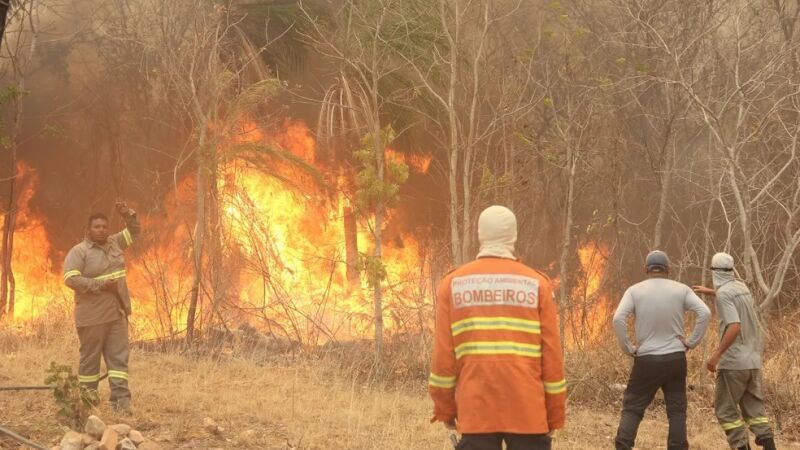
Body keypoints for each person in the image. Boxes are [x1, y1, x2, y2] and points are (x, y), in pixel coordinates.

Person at [428, 205, 565, 450]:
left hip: (476, 410)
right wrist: (555, 414)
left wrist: (445, 410)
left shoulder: (452, 285)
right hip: (528, 412)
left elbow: (443, 361)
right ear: (513, 236)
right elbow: (552, 360)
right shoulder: (537, 285)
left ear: (480, 235)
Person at [612, 250, 711, 450]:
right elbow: (705, 312)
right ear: (668, 269)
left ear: (646, 269)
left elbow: (618, 319)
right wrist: (690, 342)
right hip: (675, 358)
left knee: (632, 409)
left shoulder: (634, 291)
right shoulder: (681, 289)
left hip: (646, 359)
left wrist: (629, 348)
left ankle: (623, 446)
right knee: (676, 411)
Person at [693, 252, 776, 450]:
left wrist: (716, 355)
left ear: (714, 271)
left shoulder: (724, 295)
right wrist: (712, 292)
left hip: (733, 364)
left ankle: (740, 446)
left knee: (726, 412)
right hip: (753, 362)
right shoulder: (741, 287)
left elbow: (734, 326)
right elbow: (732, 298)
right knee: (755, 410)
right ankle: (769, 445)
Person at [63, 201, 141, 411]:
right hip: (92, 316)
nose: (101, 230)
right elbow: (70, 279)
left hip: (116, 314)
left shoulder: (115, 243)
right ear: (88, 230)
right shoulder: (79, 252)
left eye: (104, 226)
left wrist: (128, 214)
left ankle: (121, 402)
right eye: (97, 227)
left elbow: (134, 232)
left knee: (119, 360)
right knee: (90, 362)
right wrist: (98, 284)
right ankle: (87, 402)